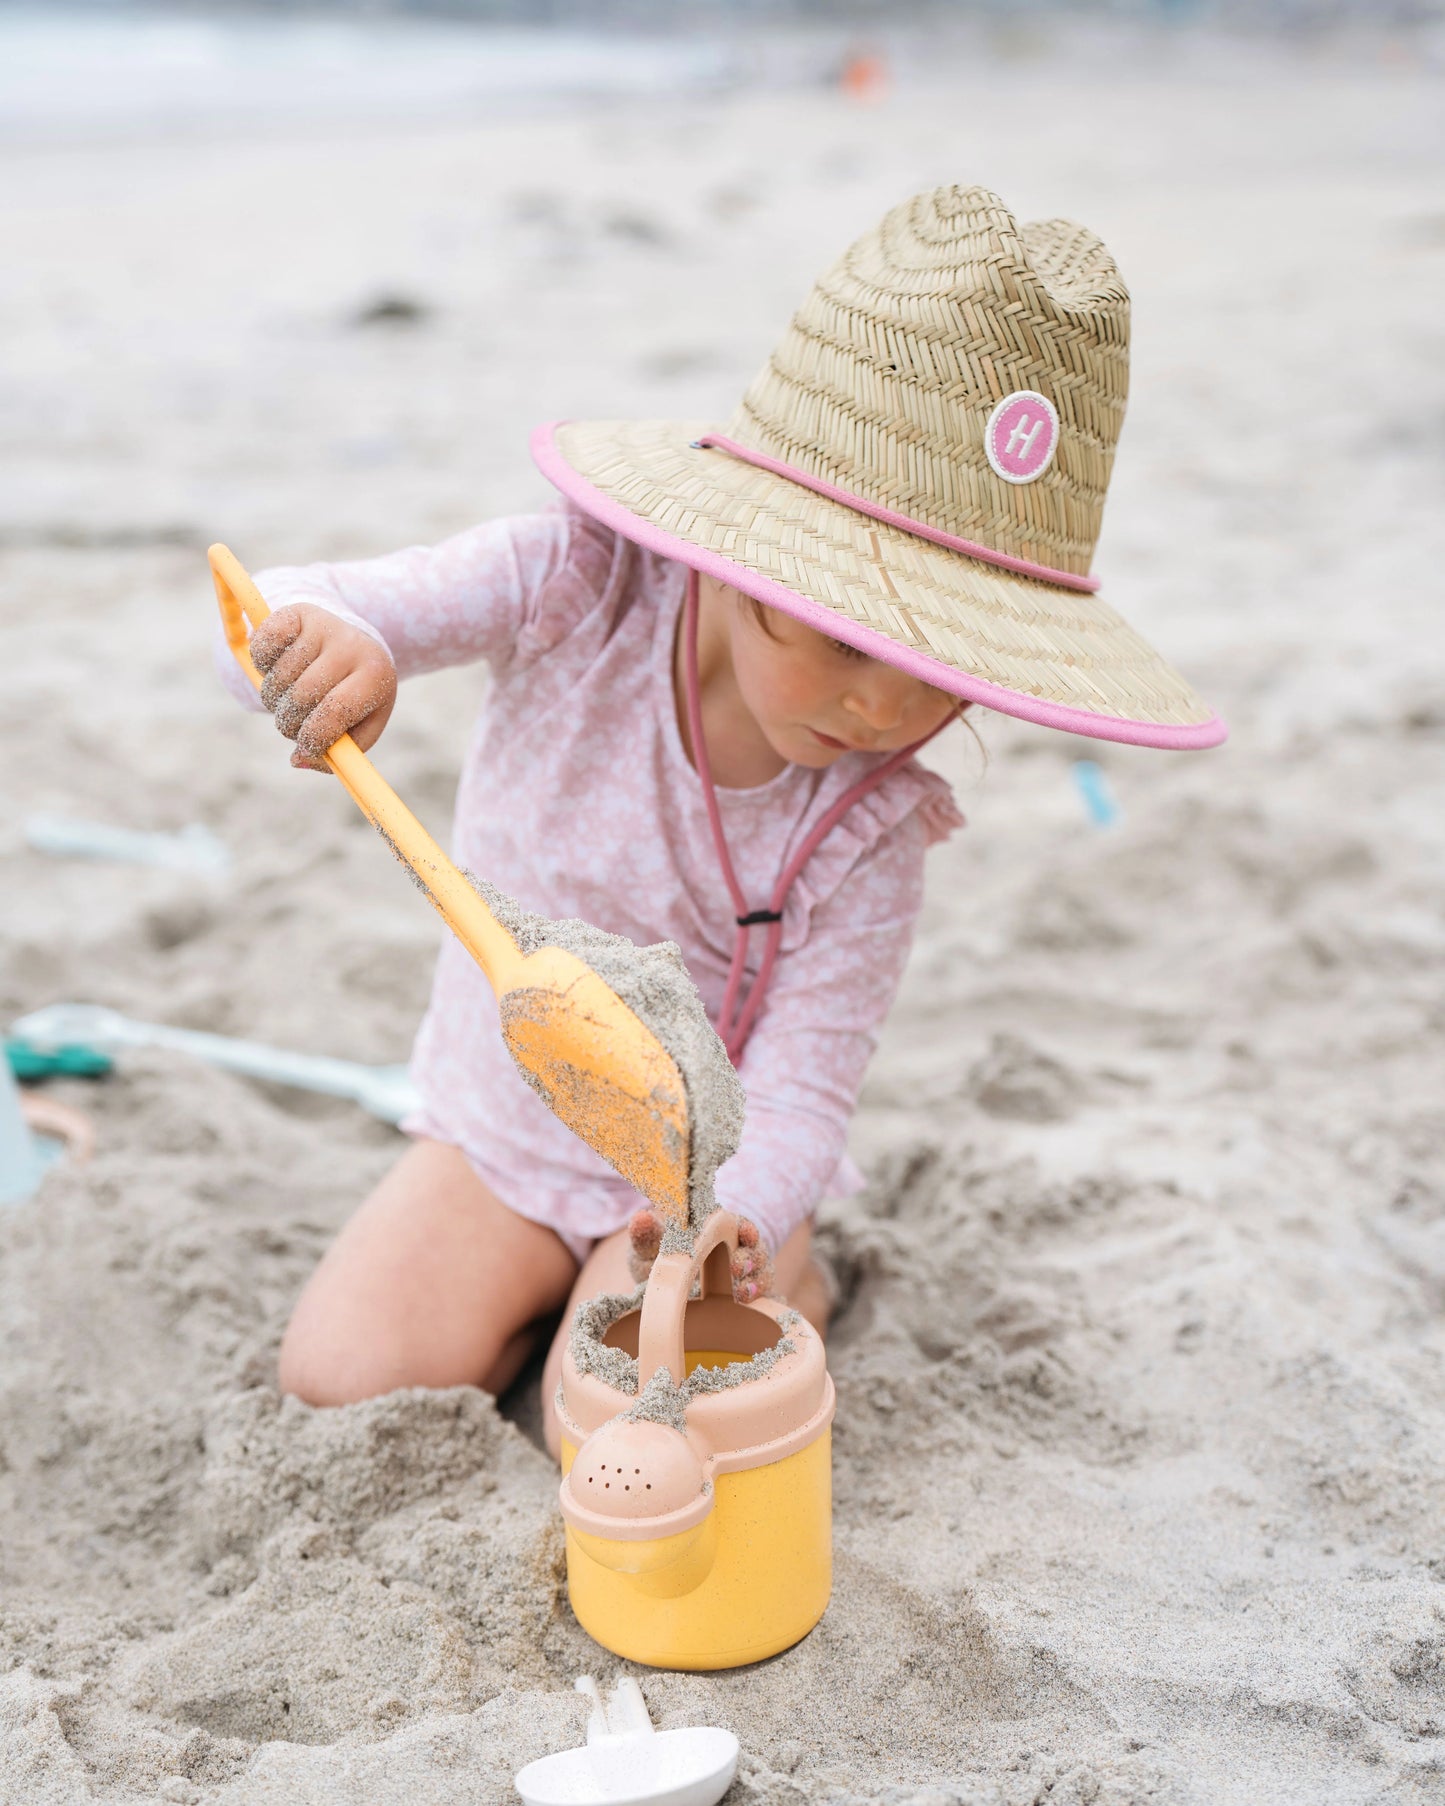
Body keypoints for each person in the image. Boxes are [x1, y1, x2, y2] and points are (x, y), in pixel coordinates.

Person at [218, 184, 1223, 1456]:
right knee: (341, 1378)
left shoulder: (870, 823)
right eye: (850, 639)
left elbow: (805, 1090)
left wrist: (731, 1215)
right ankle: (551, 1282)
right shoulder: (574, 587)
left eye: (942, 668)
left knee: (636, 1423)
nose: (880, 705)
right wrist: (340, 649)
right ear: (745, 557)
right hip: (500, 1130)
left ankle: (781, 1270)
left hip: (691, 1187)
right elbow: (274, 612)